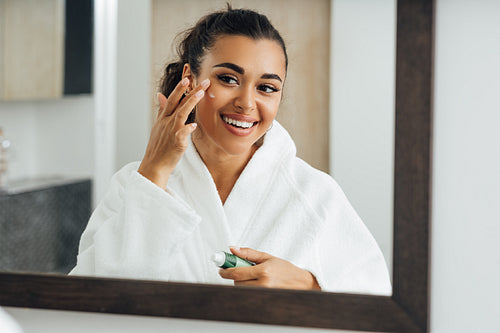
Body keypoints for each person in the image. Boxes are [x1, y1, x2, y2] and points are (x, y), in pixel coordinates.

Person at [71, 6, 391, 295]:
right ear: (190, 78)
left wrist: (309, 285)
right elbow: (89, 303)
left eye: (266, 87)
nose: (247, 103)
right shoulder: (134, 184)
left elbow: (380, 309)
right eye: (228, 78)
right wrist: (155, 171)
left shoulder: (315, 195)